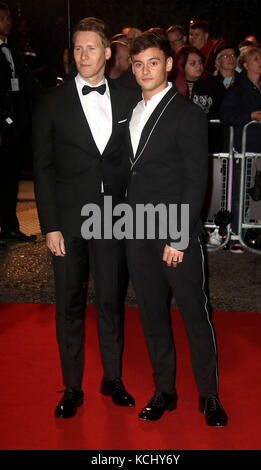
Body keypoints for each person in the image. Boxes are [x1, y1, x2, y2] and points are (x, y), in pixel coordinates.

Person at [33, 17, 140, 419]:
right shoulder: (51, 101)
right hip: (68, 220)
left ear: (108, 53)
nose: (83, 56)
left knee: (111, 301)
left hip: (113, 218)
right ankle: (72, 386)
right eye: (77, 49)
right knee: (69, 305)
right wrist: (50, 226)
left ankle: (112, 378)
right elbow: (42, 167)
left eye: (91, 48)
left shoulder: (129, 96)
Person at [125, 28, 227, 426]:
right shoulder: (131, 113)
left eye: (153, 62)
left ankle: (209, 395)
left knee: (194, 314)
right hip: (136, 232)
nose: (145, 70)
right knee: (152, 315)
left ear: (169, 65)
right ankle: (164, 390)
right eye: (138, 64)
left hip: (174, 234)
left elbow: (194, 180)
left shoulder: (187, 113)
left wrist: (180, 236)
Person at [220, 46, 261, 252]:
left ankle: (257, 232)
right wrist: (249, 117)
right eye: (255, 58)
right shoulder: (237, 88)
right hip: (244, 149)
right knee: (239, 193)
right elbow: (226, 116)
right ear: (245, 64)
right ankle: (234, 234)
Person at [0, 1, 39, 242]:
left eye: (8, 18)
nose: (8, 22)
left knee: (10, 177)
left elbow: (25, 81)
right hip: (2, 126)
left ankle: (10, 227)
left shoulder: (11, 49)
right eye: (3, 18)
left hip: (15, 127)